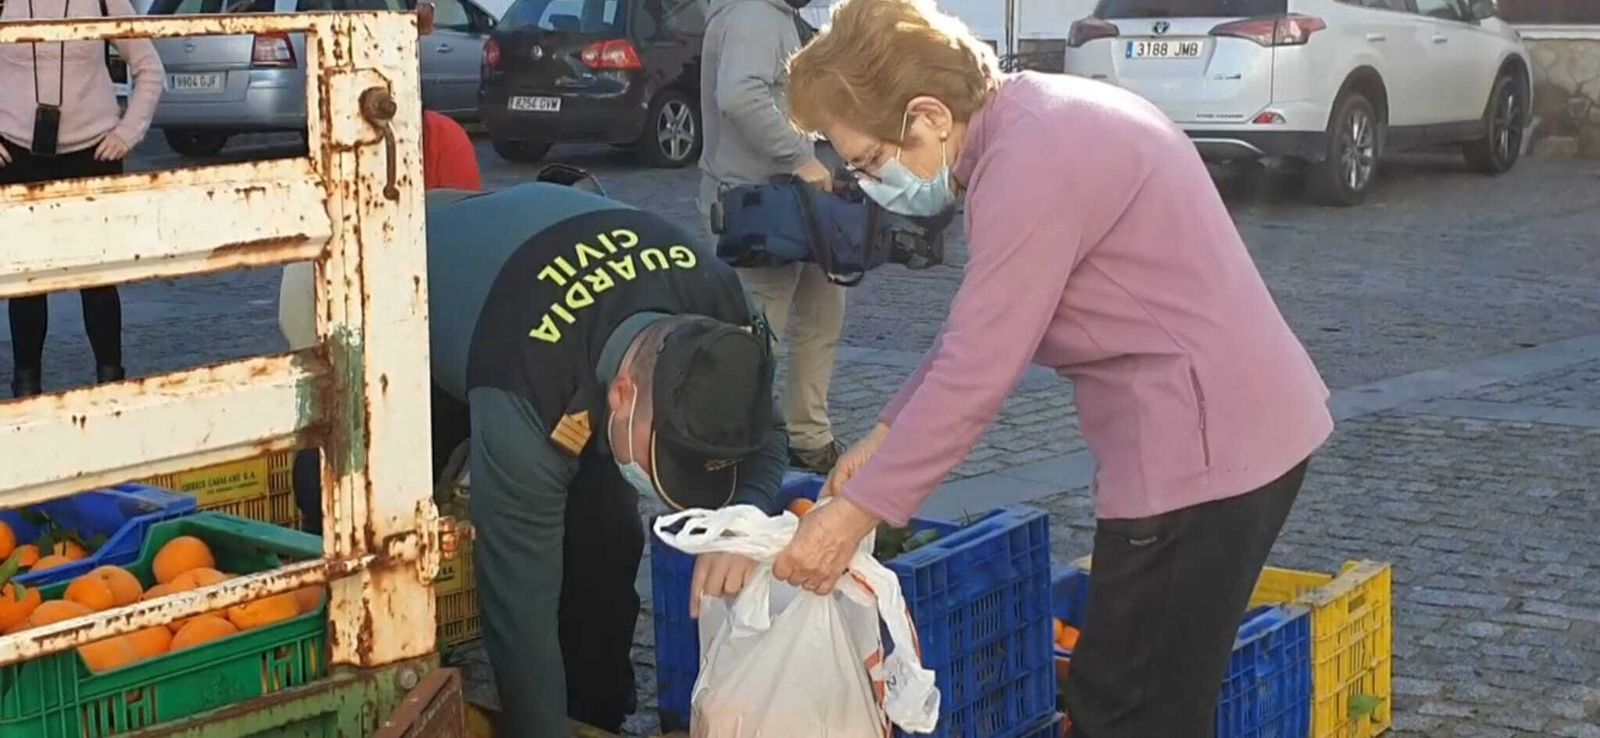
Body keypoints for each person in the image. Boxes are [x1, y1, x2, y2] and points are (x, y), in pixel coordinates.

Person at [769, 2, 1334, 736]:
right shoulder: (1037, 118)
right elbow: (978, 326)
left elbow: (980, 365)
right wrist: (884, 433)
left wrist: (854, 514)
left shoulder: (1030, 162)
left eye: (873, 161)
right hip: (1224, 430)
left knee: (1125, 710)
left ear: (931, 116)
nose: (870, 182)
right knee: (1151, 698)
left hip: (1201, 450)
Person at [282, 182, 787, 737]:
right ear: (622, 395)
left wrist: (744, 520)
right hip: (400, 295)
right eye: (665, 457)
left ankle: (598, 714)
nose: (673, 483)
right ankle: (350, 683)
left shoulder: (725, 313)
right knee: (365, 519)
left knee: (607, 535)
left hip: (552, 295)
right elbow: (518, 605)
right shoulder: (525, 380)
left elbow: (767, 435)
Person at [699, 0, 846, 473]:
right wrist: (798, 158)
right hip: (760, 207)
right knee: (756, 336)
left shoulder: (777, 16)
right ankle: (736, 449)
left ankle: (808, 436)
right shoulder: (753, 15)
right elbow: (740, 98)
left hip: (796, 204)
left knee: (822, 313)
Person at [0, 0, 162, 397]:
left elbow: (150, 69)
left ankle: (111, 384)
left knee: (99, 279)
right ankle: (26, 389)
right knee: (26, 279)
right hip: (17, 153)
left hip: (93, 153)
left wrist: (128, 133)